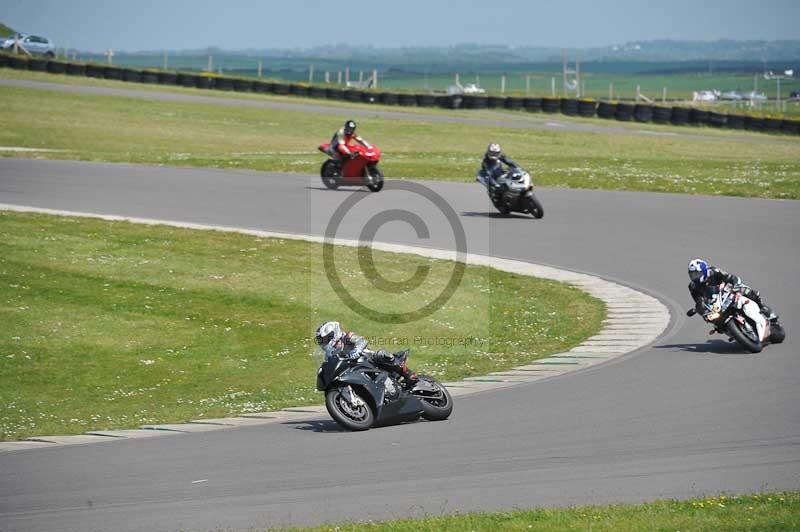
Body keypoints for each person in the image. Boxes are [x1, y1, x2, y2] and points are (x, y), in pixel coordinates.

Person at [314, 321, 418, 386]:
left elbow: (361, 341)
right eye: (321, 340)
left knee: (381, 355)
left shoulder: (347, 337)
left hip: (367, 359)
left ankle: (408, 373)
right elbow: (329, 365)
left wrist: (356, 350)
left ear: (334, 333)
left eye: (324, 339)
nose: (324, 342)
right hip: (353, 370)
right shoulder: (330, 354)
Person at [686, 258, 775, 319]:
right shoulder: (693, 286)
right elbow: (698, 301)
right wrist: (699, 310)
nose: (695, 277)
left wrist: (736, 287)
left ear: (704, 271)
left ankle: (762, 307)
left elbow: (731, 278)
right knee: (712, 321)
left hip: (727, 292)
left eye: (697, 274)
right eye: (692, 275)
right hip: (715, 305)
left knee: (750, 292)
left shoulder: (714, 271)